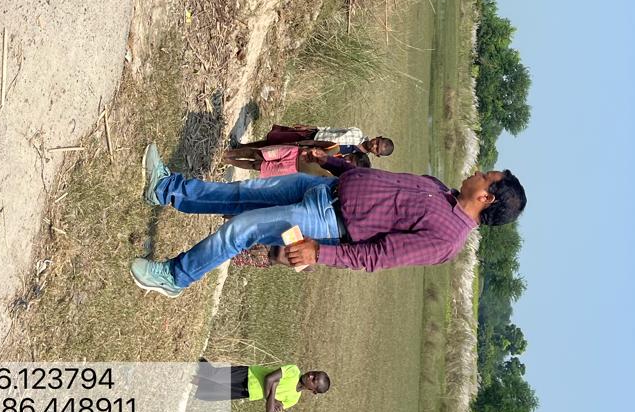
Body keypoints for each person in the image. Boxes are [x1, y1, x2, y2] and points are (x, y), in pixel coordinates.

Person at [129, 142, 526, 297]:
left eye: (485, 175)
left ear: (486, 197)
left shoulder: (447, 240)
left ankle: (175, 277)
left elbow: (379, 256)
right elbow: (380, 185)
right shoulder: (441, 190)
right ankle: (166, 190)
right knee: (241, 194)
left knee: (242, 230)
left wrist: (319, 253)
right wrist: (333, 164)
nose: (477, 172)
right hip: (322, 188)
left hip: (326, 222)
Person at [192, 361, 330, 412]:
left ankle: (188, 378)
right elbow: (269, 378)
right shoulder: (294, 371)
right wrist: (272, 399)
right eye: (314, 373)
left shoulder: (293, 399)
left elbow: (269, 411)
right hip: (247, 375)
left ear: (313, 391)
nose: (310, 375)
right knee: (214, 374)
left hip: (247, 392)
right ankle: (194, 358)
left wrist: (273, 388)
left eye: (314, 380)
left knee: (212, 391)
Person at [234, 125, 394, 160]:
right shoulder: (357, 132)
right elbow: (332, 129)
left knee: (274, 153)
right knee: (273, 140)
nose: (374, 145)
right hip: (313, 136)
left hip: (309, 153)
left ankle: (238, 155)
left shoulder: (358, 159)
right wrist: (311, 127)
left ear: (377, 155)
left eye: (377, 149)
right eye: (377, 142)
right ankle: (241, 147)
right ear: (378, 137)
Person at [222, 145, 371, 176]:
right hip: (293, 153)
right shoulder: (336, 149)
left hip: (292, 171)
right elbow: (315, 142)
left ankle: (228, 161)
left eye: (351, 164)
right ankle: (228, 153)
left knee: (257, 166)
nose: (347, 161)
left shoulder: (335, 178)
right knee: (258, 154)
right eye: (351, 158)